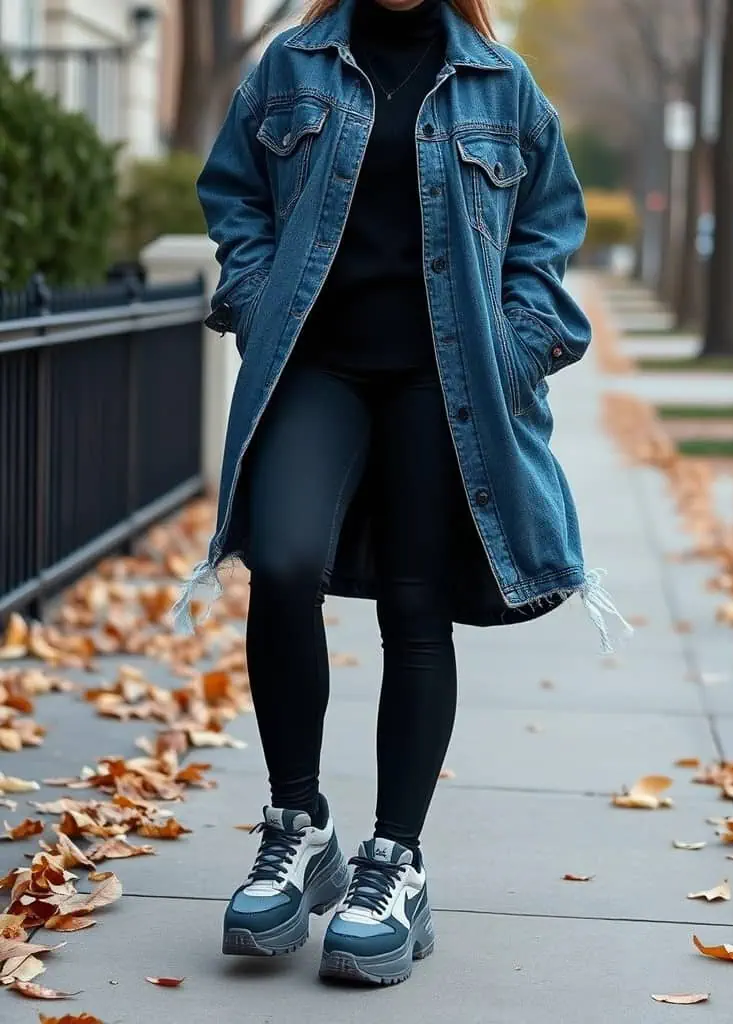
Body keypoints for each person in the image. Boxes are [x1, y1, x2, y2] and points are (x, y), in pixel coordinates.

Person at [178, 0, 630, 987]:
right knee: (284, 560)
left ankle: (395, 861)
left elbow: (549, 234)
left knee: (419, 609)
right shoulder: (291, 66)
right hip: (319, 368)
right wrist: (255, 300)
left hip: (447, 377)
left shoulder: (502, 88)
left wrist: (514, 350)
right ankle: (299, 825)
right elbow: (235, 195)